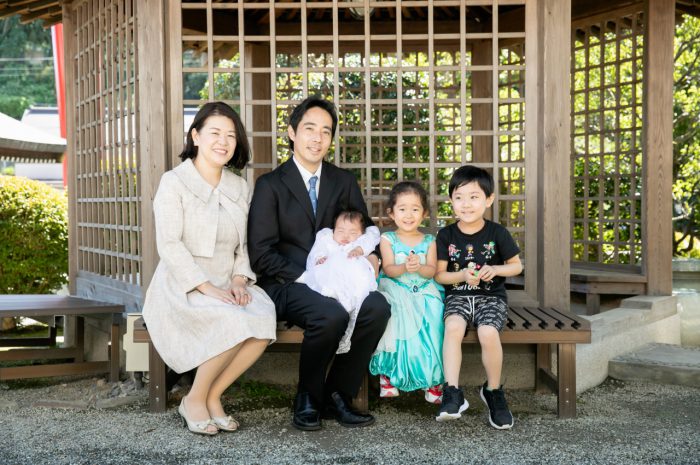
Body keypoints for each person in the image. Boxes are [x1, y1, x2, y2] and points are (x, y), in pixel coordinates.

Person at [248, 96, 391, 431]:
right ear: (292, 133)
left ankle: (338, 395)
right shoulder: (270, 185)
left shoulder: (343, 182)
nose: (317, 138)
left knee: (378, 307)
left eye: (325, 131)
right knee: (329, 313)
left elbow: (366, 230)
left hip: (341, 277)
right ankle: (308, 397)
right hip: (289, 282)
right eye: (309, 129)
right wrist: (309, 276)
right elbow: (260, 251)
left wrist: (372, 256)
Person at [142, 102, 277, 436]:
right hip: (183, 285)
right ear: (196, 136)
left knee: (262, 317)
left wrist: (239, 280)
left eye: (231, 135)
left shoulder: (239, 187)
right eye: (215, 133)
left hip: (226, 280)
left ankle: (213, 395)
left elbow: (243, 245)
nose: (223, 141)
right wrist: (206, 287)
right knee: (231, 319)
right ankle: (194, 399)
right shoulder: (173, 183)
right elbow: (170, 245)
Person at [434, 165, 523, 429]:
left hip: (490, 297)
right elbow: (440, 276)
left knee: (487, 332)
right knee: (452, 328)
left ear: (489, 199)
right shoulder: (446, 235)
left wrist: (495, 269)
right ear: (451, 200)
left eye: (474, 197)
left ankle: (493, 391)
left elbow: (516, 266)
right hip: (458, 296)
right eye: (459, 197)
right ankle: (452, 392)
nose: (466, 204)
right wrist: (461, 275)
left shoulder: (497, 233)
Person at [369, 181, 445, 404]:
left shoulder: (430, 240)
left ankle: (433, 380)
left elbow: (432, 270)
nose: (409, 215)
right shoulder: (387, 239)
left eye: (415, 209)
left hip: (423, 288)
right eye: (402, 209)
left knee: (435, 316)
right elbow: (389, 270)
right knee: (394, 314)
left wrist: (420, 268)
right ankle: (389, 375)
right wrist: (405, 268)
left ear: (424, 213)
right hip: (396, 287)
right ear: (391, 213)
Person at [305, 209, 381, 354]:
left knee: (356, 293)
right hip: (331, 277)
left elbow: (370, 240)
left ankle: (347, 315)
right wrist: (320, 257)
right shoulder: (327, 239)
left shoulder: (361, 242)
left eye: (353, 233)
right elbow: (317, 251)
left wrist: (359, 250)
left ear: (360, 234)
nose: (346, 236)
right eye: (340, 231)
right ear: (334, 229)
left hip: (353, 279)